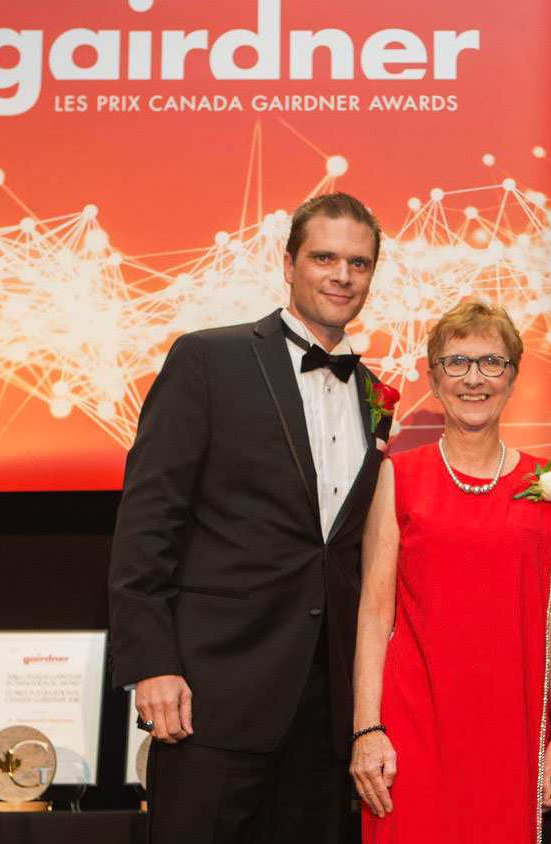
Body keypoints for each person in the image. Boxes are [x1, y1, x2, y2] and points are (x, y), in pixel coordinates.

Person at [108, 193, 391, 843]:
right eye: (324, 257)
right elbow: (149, 518)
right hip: (213, 694)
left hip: (325, 708)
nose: (342, 275)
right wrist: (152, 661)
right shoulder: (210, 359)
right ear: (288, 263)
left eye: (359, 262)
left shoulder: (377, 397)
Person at [349, 300, 551, 843]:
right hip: (411, 730)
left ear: (514, 376)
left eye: (492, 362)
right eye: (456, 362)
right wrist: (366, 727)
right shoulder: (396, 476)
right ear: (433, 376)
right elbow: (374, 611)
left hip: (511, 731)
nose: (474, 378)